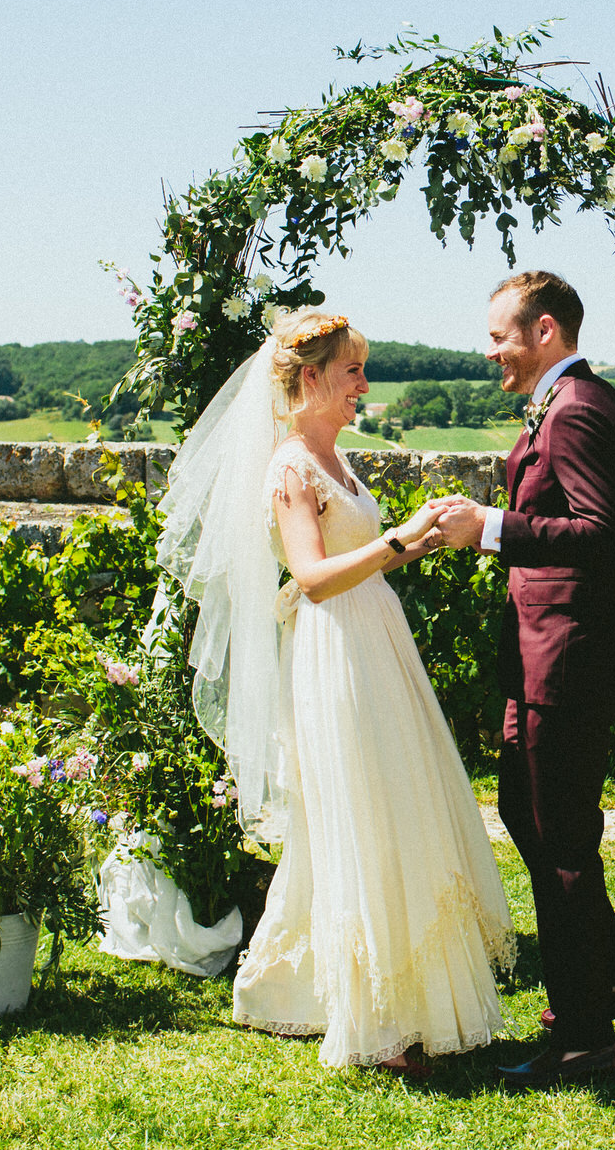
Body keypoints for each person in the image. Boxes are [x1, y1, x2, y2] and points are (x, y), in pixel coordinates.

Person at [154, 310, 514, 1074]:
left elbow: (360, 564)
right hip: (333, 653)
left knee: (394, 803)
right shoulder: (291, 468)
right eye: (352, 370)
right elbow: (311, 577)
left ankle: (408, 999)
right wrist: (396, 536)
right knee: (359, 810)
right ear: (309, 379)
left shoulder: (339, 463)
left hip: (377, 642)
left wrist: (418, 540)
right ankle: (375, 1019)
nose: (363, 384)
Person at [431, 271, 615, 1088]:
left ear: (547, 332)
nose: (491, 349)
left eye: (502, 335)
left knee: (560, 841)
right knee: (528, 819)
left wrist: (490, 527)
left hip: (569, 657)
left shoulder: (582, 408)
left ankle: (583, 1035)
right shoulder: (559, 405)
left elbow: (608, 532)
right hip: (539, 653)